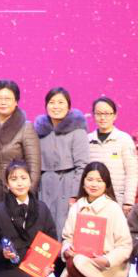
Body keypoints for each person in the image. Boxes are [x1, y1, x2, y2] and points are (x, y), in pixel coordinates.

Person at [49, 162, 132, 277]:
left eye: (99, 181)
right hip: (80, 266)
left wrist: (106, 260)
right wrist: (67, 249)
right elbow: (67, 237)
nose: (94, 184)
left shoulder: (113, 208)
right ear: (83, 181)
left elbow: (125, 246)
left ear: (106, 184)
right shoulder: (76, 207)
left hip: (106, 266)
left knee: (76, 262)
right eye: (90, 179)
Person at [34, 87, 90, 235]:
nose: (56, 106)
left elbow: (82, 165)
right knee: (44, 228)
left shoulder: (77, 131)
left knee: (65, 228)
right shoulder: (39, 131)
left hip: (67, 185)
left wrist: (75, 194)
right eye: (52, 102)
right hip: (44, 186)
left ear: (68, 106)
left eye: (61, 102)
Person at [0, 80, 41, 208]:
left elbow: (34, 165)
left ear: (16, 101)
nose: (3, 102)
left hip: (19, 192)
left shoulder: (26, 127)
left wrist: (27, 194)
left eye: (7, 98)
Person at [86, 97, 138, 214]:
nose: (102, 117)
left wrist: (128, 202)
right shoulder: (87, 140)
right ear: (93, 115)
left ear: (115, 116)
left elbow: (132, 173)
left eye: (107, 113)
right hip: (92, 200)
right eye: (98, 113)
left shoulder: (124, 139)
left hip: (117, 200)